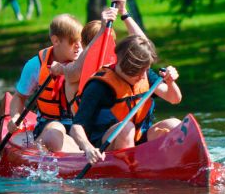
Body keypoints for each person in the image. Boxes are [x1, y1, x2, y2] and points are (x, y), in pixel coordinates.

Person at [70, 35, 182, 165]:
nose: (142, 76)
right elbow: (76, 126)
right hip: (105, 147)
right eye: (138, 73)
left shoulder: (144, 74)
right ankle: (130, 174)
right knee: (126, 128)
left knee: (174, 124)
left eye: (145, 70)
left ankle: (175, 163)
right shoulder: (98, 86)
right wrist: (88, 149)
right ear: (126, 67)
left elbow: (174, 99)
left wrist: (170, 82)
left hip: (139, 138)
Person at [49, 0, 147, 114]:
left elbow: (144, 49)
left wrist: (123, 12)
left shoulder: (117, 64)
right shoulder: (74, 69)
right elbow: (78, 69)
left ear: (82, 44)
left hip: (119, 123)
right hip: (92, 130)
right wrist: (103, 30)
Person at [7, 13, 84, 152]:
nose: (79, 46)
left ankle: (81, 152)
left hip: (80, 127)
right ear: (56, 41)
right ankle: (73, 153)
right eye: (73, 41)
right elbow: (19, 97)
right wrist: (16, 117)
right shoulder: (34, 65)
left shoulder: (85, 62)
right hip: (48, 125)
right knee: (55, 129)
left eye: (81, 40)